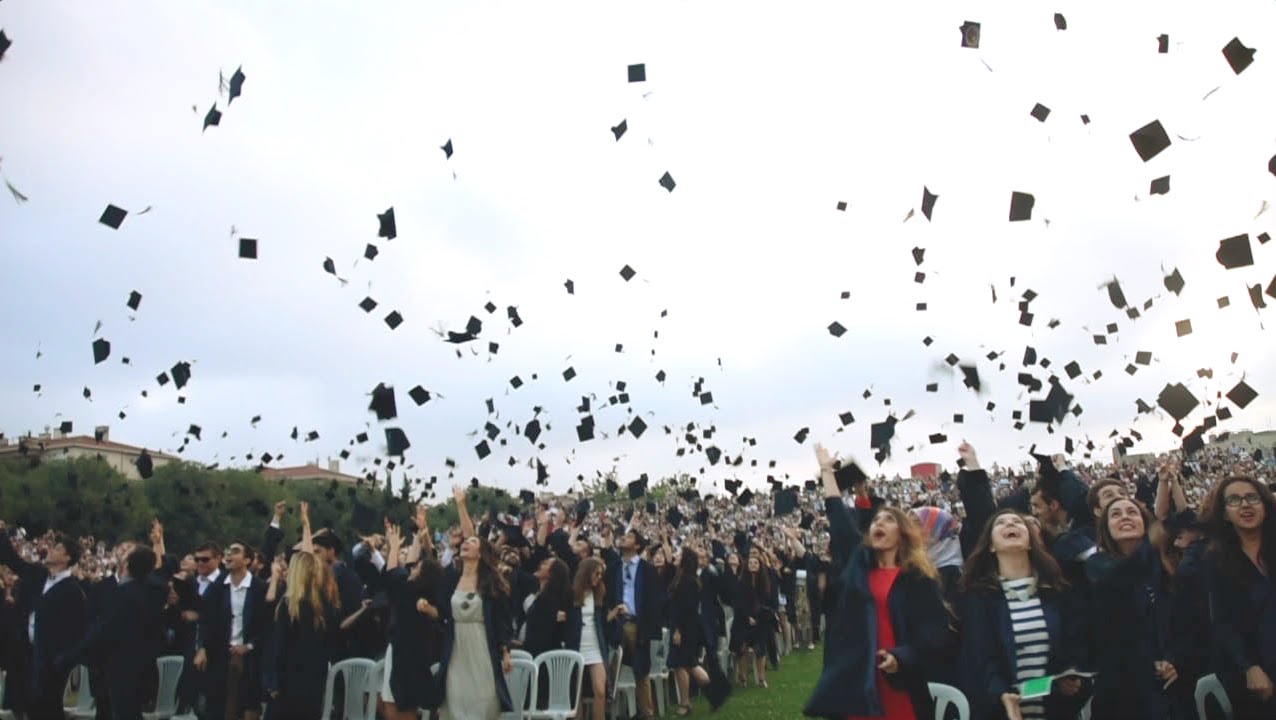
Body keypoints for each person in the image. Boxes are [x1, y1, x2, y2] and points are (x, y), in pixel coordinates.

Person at [804, 444, 950, 720]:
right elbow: (838, 518)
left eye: (889, 520)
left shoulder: (917, 578)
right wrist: (826, 471)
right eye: (876, 520)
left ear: (903, 533)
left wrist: (901, 657)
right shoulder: (858, 568)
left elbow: (934, 634)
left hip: (899, 685)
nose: (879, 523)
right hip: (858, 684)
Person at [959, 510, 1085, 720]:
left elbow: (1075, 644)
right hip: (1001, 711)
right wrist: (1004, 696)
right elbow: (982, 659)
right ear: (991, 545)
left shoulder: (1057, 591)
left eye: (1018, 522)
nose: (1010, 524)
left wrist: (1069, 677)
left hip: (1055, 711)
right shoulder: (979, 597)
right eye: (1001, 523)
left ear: (1030, 542)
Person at [1086, 497, 1190, 719]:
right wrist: (1151, 544)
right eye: (1115, 514)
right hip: (1124, 695)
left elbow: (1184, 625)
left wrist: (1172, 660)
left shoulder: (1167, 571)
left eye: (1132, 512)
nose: (1125, 516)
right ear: (1106, 529)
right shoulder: (1097, 567)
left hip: (1171, 692)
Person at [57, 545, 162, 720]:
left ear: (127, 565)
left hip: (121, 668)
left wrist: (71, 656)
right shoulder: (152, 591)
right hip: (141, 668)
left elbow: (103, 630)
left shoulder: (126, 594)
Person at [439, 485, 514, 720]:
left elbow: (502, 621)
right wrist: (459, 505)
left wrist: (505, 651)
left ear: (481, 554)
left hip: (482, 649)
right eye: (464, 542)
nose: (466, 543)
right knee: (457, 707)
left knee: (483, 706)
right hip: (456, 652)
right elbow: (468, 534)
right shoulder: (452, 578)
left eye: (472, 543)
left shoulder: (490, 584)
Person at [0, 521, 87, 720]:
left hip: (50, 664)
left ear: (66, 558)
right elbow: (13, 560)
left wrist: (61, 660)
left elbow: (77, 631)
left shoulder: (73, 591)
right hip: (25, 656)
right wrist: (2, 534)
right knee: (22, 707)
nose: (50, 550)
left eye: (57, 548)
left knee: (46, 711)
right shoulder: (38, 575)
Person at [1205, 475, 1276, 716]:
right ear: (1225, 513)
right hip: (1258, 671)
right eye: (1234, 500)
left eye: (1252, 497)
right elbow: (1222, 621)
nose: (1245, 505)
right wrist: (1250, 666)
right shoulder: (1217, 561)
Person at [382, 510, 445, 720]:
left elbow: (392, 571)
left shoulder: (408, 591)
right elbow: (409, 565)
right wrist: (419, 535)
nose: (413, 566)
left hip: (403, 657)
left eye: (417, 566)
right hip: (413, 656)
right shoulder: (421, 591)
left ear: (422, 572)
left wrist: (393, 547)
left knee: (397, 708)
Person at [195, 541, 268, 720]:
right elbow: (206, 620)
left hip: (250, 658)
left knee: (248, 706)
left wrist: (249, 646)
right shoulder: (218, 587)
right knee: (217, 706)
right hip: (221, 655)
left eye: (235, 551)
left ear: (247, 560)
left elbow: (268, 626)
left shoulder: (258, 588)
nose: (228, 555)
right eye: (227, 551)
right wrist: (203, 648)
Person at [265, 551, 338, 720]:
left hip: (288, 681)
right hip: (314, 680)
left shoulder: (289, 606)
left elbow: (280, 646)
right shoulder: (324, 605)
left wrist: (274, 681)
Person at [603, 526, 663, 719]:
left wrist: (646, 626)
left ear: (637, 545)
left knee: (640, 670)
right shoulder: (613, 568)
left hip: (637, 624)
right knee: (610, 669)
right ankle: (611, 712)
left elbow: (654, 601)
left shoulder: (647, 570)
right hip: (616, 622)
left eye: (629, 536)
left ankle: (646, 713)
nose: (624, 538)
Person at [667, 548, 728, 714]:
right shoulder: (688, 579)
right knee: (685, 664)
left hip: (684, 628)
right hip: (689, 627)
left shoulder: (687, 582)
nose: (676, 557)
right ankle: (690, 701)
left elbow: (685, 608)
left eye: (679, 555)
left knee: (687, 664)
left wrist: (677, 630)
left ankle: (700, 699)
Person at [566, 557, 624, 720]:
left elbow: (601, 623)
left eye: (601, 575)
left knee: (600, 691)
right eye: (596, 574)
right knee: (577, 693)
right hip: (576, 646)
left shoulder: (599, 594)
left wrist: (612, 615)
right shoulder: (571, 594)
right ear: (587, 573)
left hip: (595, 646)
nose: (599, 577)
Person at [729, 552, 774, 687]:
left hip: (760, 620)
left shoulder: (764, 583)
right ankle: (743, 677)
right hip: (742, 620)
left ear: (760, 566)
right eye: (750, 563)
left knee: (761, 648)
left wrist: (758, 617)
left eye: (756, 563)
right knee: (742, 647)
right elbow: (738, 603)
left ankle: (761, 678)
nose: (753, 565)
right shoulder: (741, 583)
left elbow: (767, 601)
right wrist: (747, 617)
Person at [522, 557, 570, 657]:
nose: (540, 565)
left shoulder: (551, 601)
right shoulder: (539, 596)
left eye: (545, 563)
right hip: (533, 652)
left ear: (552, 573)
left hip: (544, 656)